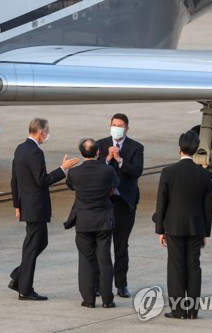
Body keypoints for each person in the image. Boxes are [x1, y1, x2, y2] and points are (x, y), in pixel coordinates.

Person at [9, 118, 79, 301]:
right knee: (33, 246)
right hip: (36, 207)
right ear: (41, 133)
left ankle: (19, 276)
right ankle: (25, 289)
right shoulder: (35, 152)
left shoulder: (20, 148)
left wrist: (17, 204)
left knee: (40, 242)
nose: (47, 135)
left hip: (28, 206)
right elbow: (42, 180)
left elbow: (14, 179)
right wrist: (62, 170)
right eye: (46, 132)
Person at [152, 130, 212, 319]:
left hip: (174, 226)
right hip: (196, 227)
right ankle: (193, 311)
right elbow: (208, 207)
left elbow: (161, 203)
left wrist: (160, 229)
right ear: (196, 150)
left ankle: (179, 310)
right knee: (194, 267)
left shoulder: (168, 172)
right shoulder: (204, 174)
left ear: (179, 149)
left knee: (176, 267)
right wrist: (205, 232)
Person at [64, 138, 119, 309]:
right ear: (98, 152)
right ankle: (107, 300)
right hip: (103, 220)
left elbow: (71, 186)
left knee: (85, 260)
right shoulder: (107, 171)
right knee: (105, 260)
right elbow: (115, 186)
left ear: (81, 154)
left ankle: (88, 299)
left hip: (84, 221)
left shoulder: (74, 173)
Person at [95, 113, 144, 298]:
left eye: (120, 125)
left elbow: (136, 172)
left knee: (121, 246)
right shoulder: (100, 144)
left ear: (126, 129)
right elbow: (96, 168)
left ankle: (121, 284)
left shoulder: (136, 147)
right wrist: (108, 159)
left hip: (124, 202)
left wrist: (120, 160)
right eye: (114, 124)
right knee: (102, 245)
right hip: (105, 203)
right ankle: (99, 283)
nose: (116, 128)